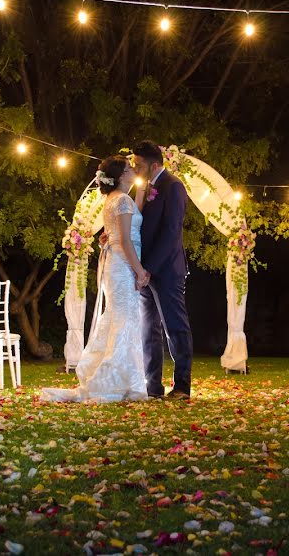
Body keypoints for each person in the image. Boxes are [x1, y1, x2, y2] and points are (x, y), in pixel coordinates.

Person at [41, 156, 150, 403]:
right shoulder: (121, 200)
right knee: (123, 321)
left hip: (117, 264)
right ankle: (112, 379)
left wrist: (142, 191)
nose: (133, 169)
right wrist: (140, 271)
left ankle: (123, 380)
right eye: (129, 168)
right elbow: (124, 240)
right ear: (121, 176)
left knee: (119, 319)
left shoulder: (115, 200)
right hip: (122, 266)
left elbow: (126, 224)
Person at [131, 140, 194, 400]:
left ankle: (182, 386)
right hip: (146, 272)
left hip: (166, 270)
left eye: (138, 164)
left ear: (154, 164)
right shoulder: (145, 187)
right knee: (149, 330)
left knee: (174, 327)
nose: (135, 168)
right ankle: (153, 386)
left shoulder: (174, 186)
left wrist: (149, 269)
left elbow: (171, 233)